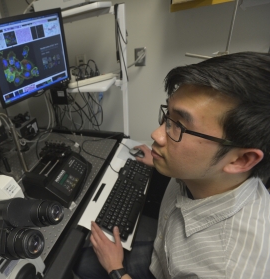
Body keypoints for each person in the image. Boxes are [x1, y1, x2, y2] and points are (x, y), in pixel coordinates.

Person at [74, 52, 270, 279]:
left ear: (240, 160)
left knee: (82, 264)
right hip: (162, 252)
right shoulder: (205, 172)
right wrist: (157, 161)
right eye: (168, 115)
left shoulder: (224, 268)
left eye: (180, 126)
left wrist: (116, 269)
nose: (156, 135)